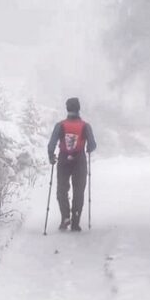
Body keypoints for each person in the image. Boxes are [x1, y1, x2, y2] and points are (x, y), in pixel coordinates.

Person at [47, 97, 97, 231]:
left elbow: (51, 144)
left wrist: (51, 156)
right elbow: (92, 145)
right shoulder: (85, 126)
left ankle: (65, 217)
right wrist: (87, 148)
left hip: (63, 160)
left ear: (67, 109)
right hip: (79, 160)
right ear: (79, 109)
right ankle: (75, 222)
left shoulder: (60, 125)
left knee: (62, 190)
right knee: (78, 191)